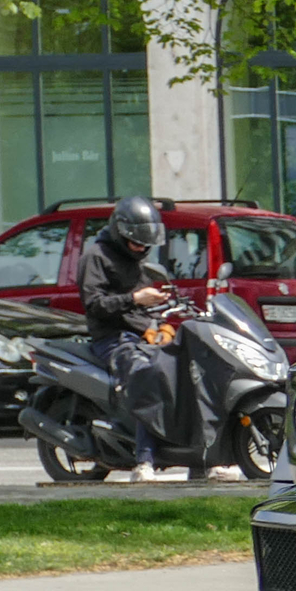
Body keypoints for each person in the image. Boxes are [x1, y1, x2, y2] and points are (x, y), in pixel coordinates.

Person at [77, 196, 209, 484]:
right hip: (111, 339)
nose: (140, 248)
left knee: (190, 371)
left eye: (145, 245)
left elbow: (142, 309)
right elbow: (95, 304)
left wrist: (160, 323)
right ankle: (144, 460)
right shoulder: (95, 257)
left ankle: (200, 460)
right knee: (146, 374)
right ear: (119, 231)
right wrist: (135, 298)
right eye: (135, 243)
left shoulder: (137, 262)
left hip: (140, 335)